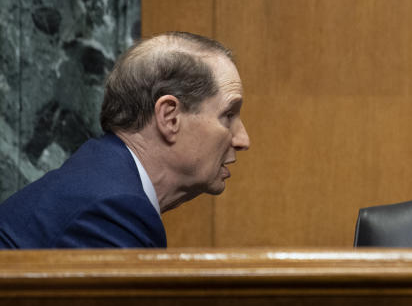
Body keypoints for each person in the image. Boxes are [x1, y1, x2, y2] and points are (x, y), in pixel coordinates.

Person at [0, 32, 250, 248]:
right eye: (228, 115)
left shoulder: (104, 177)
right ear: (170, 117)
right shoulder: (114, 209)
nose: (242, 139)